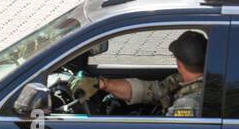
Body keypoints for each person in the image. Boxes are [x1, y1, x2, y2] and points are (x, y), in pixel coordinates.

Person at [72, 31, 207, 116]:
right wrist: (103, 84)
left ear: (179, 63)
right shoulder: (183, 80)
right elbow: (151, 91)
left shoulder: (189, 105)